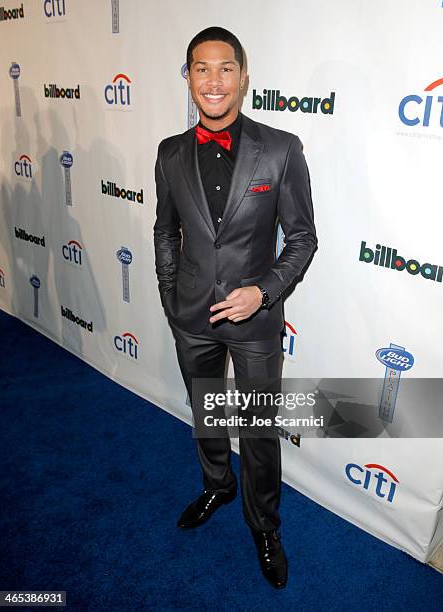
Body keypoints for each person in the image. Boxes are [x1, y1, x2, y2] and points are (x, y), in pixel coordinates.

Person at [153, 26, 317, 589]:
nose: (214, 80)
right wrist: (172, 298)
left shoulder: (280, 149)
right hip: (192, 317)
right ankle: (217, 484)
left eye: (226, 68)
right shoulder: (170, 153)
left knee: (258, 428)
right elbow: (164, 232)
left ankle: (264, 524)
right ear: (189, 78)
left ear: (244, 78)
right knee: (206, 413)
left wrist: (264, 292)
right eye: (202, 68)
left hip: (255, 324)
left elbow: (301, 240)